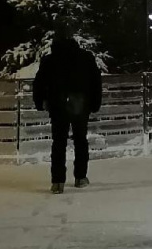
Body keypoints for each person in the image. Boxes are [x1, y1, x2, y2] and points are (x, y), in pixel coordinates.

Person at [33, 22, 103, 195]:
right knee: (80, 140)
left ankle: (57, 181)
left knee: (58, 143)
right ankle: (80, 177)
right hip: (80, 104)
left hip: (57, 105)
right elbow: (95, 81)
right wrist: (95, 103)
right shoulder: (85, 57)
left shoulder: (50, 60)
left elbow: (39, 83)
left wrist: (39, 102)